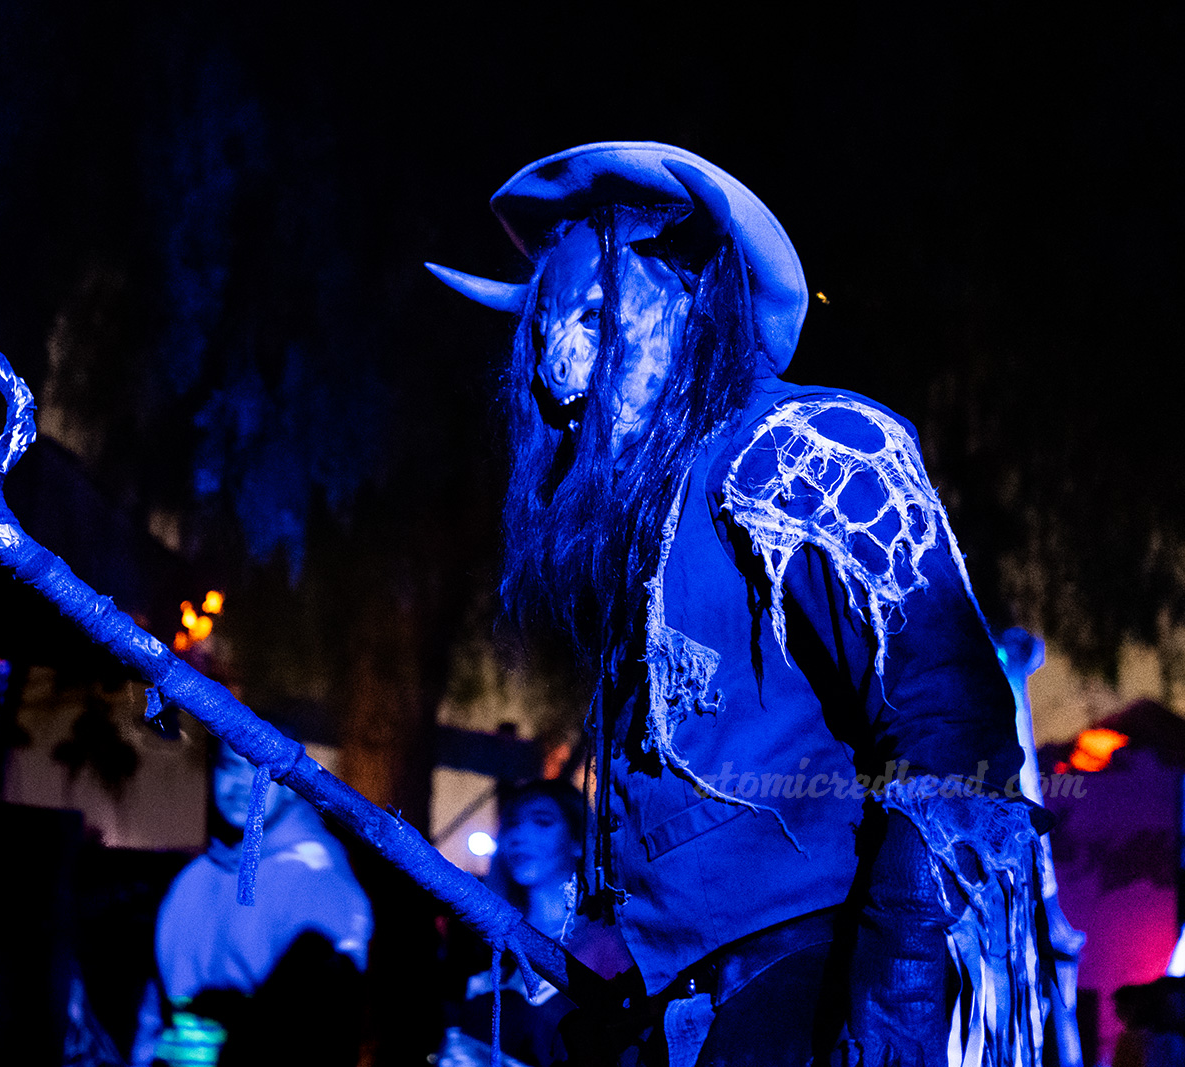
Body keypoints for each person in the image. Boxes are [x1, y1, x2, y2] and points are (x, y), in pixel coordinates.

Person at [428, 142, 1050, 1065]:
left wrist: (890, 1024)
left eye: (599, 321)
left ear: (692, 299)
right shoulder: (649, 527)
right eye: (550, 340)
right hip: (691, 1010)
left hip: (810, 983)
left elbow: (949, 727)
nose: (564, 379)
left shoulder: (806, 448)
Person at [131, 742, 373, 1067]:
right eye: (229, 767)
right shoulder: (192, 879)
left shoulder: (321, 884)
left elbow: (325, 1030)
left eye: (262, 770)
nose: (242, 784)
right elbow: (154, 1011)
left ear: (291, 785)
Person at [440, 779, 584, 1067]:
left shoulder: (601, 945)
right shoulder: (480, 942)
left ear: (579, 840)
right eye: (512, 823)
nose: (519, 834)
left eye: (542, 822)